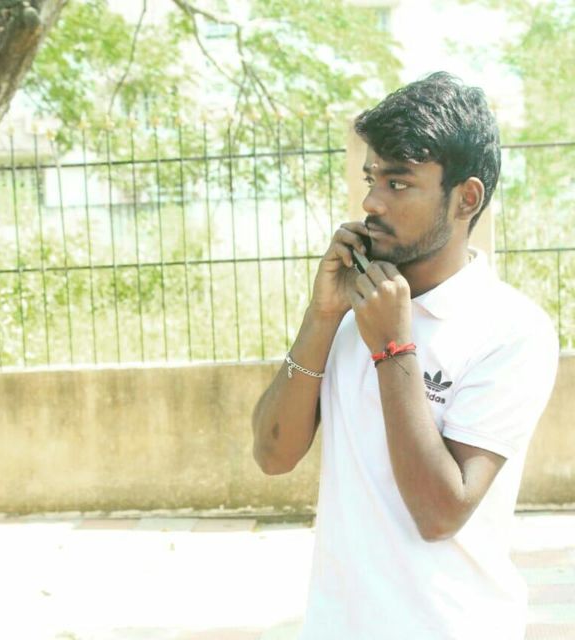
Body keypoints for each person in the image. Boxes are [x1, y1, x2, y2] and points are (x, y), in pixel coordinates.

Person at [251, 72, 559, 640]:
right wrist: (321, 317)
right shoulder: (354, 309)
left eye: (398, 182)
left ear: (466, 197)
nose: (371, 202)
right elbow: (272, 454)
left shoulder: (513, 331)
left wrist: (393, 348)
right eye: (372, 179)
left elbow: (441, 512)